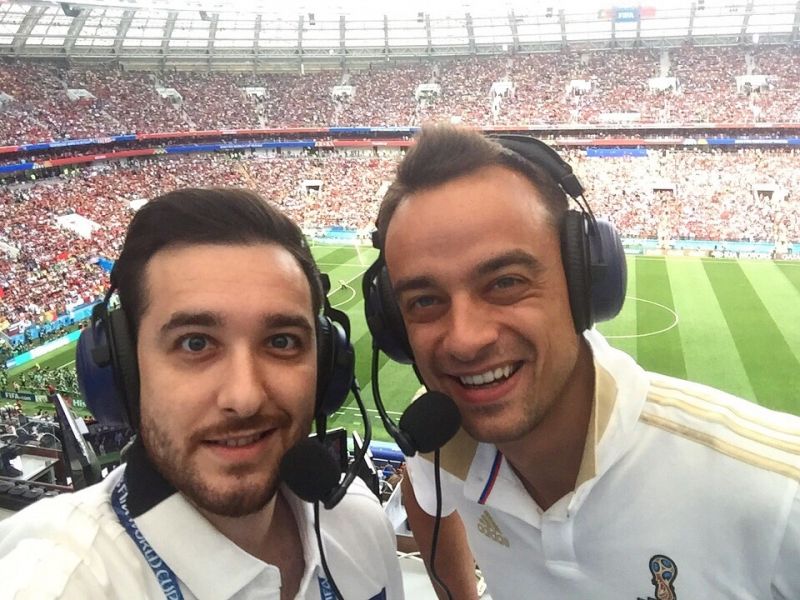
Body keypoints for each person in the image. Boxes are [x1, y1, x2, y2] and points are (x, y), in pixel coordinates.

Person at [371, 125, 800, 599]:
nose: (466, 341)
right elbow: (424, 497)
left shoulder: (779, 490)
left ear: (584, 283)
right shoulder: (438, 436)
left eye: (506, 282)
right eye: (425, 301)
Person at [0, 188, 403, 599]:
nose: (245, 398)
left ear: (328, 364)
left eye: (281, 342)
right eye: (195, 343)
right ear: (124, 369)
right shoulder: (58, 584)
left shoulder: (361, 522)